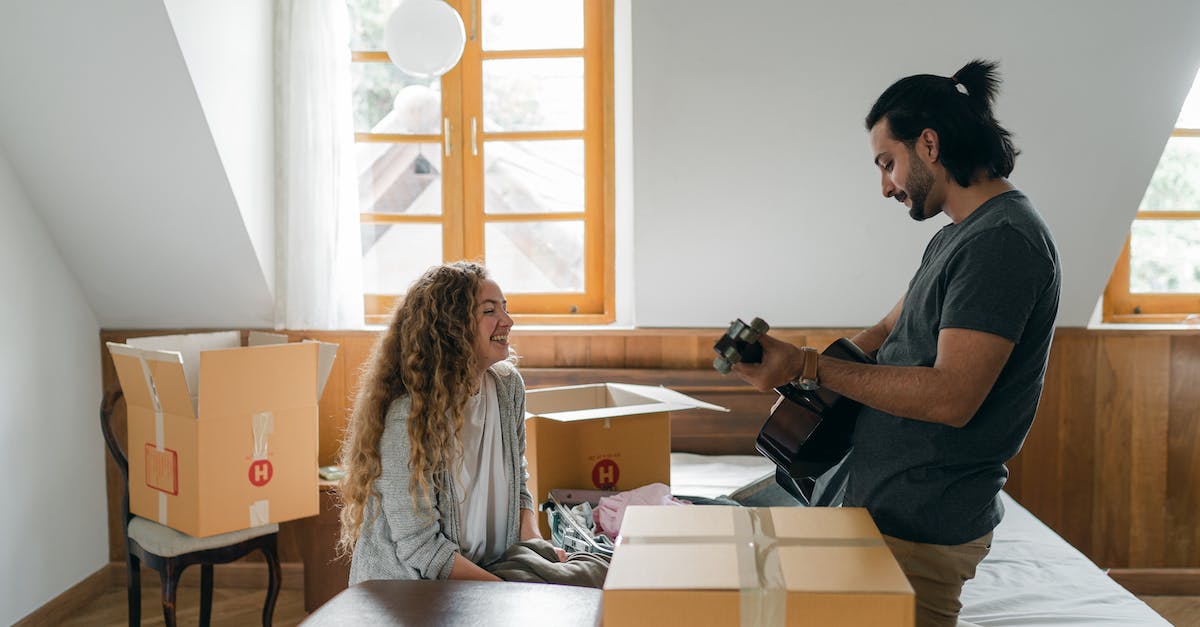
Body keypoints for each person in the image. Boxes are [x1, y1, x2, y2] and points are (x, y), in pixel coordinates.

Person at [733, 60, 1061, 627]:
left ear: (928, 145)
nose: (885, 185)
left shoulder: (1002, 243)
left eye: (888, 163)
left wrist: (811, 365)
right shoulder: (957, 236)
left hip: (922, 528)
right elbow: (886, 333)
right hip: (881, 511)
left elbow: (951, 397)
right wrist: (797, 376)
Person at [338, 261, 561, 583]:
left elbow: (517, 481)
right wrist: (507, 593)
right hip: (408, 593)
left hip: (486, 575)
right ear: (450, 327)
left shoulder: (507, 385)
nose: (508, 321)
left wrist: (534, 545)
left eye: (505, 309)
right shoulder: (408, 415)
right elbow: (423, 550)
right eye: (489, 312)